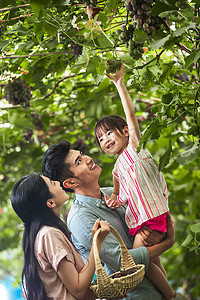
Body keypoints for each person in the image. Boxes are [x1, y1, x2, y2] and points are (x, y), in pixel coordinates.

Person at [42, 140, 179, 300]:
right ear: (71, 182)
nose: (88, 159)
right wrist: (168, 242)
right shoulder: (81, 217)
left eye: (83, 155)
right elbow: (122, 261)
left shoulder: (112, 193)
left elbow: (145, 227)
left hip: (160, 291)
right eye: (79, 162)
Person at [94, 63, 185, 300]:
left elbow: (131, 115)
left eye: (110, 133)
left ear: (125, 132)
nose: (106, 140)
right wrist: (114, 199)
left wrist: (119, 83)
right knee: (151, 259)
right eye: (101, 139)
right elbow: (118, 192)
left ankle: (170, 296)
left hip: (151, 218)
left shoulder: (135, 147)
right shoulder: (116, 168)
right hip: (144, 219)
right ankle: (170, 295)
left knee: (136, 261)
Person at [10, 172, 110, 300]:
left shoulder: (44, 234)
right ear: (50, 202)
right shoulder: (49, 234)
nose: (57, 182)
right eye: (52, 183)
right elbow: (78, 289)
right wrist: (97, 243)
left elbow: (65, 290)